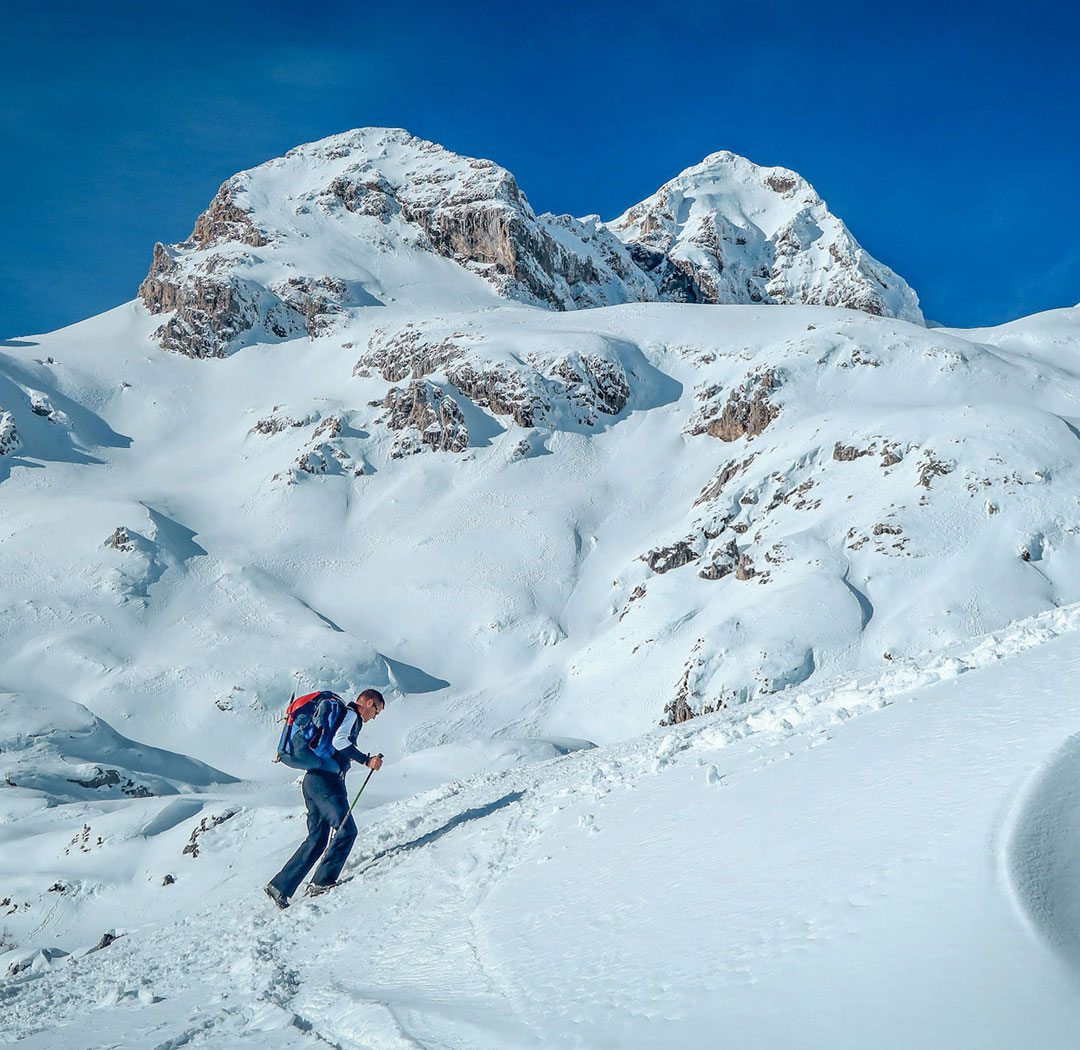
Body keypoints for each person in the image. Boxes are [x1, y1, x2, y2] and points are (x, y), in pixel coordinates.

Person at [265, 688, 385, 908]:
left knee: (318, 838)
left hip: (313, 779)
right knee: (346, 830)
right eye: (376, 711)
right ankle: (322, 882)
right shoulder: (351, 715)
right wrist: (366, 760)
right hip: (325, 781)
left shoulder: (344, 715)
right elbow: (340, 742)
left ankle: (279, 887)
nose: (375, 717)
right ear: (369, 703)